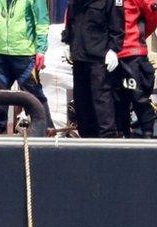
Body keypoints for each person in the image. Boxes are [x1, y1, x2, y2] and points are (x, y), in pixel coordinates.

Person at [0, 0, 54, 134]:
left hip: (25, 56)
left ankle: (47, 130)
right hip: (1, 55)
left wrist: (41, 50)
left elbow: (42, 22)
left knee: (35, 98)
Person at [62, 0, 124, 138]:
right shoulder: (75, 2)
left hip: (99, 57)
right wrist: (67, 42)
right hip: (79, 57)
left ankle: (107, 138)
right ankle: (86, 138)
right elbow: (71, 23)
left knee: (101, 99)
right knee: (81, 101)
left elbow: (117, 26)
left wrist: (113, 49)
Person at [114, 0, 157, 138]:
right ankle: (121, 133)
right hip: (112, 53)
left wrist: (138, 38)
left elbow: (152, 16)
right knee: (117, 99)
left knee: (139, 97)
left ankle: (147, 132)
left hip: (133, 53)